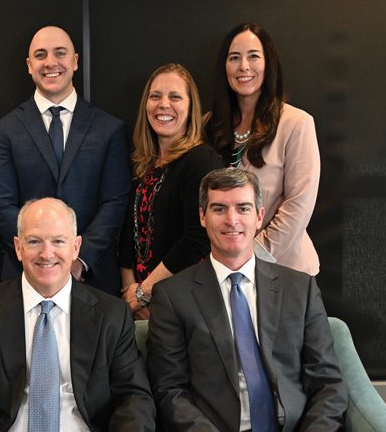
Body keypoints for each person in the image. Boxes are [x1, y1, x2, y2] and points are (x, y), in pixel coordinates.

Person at [148, 168, 346, 432]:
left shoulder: (300, 288)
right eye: (219, 209)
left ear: (259, 216)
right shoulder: (172, 296)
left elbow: (327, 383)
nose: (232, 220)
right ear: (202, 217)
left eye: (243, 208)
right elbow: (169, 390)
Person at [0, 198, 155, 431]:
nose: (46, 254)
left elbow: (134, 398)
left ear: (76, 247)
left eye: (58, 241)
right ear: (18, 247)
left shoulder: (111, 315)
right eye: (34, 241)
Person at [0, 25, 131, 296]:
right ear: (29, 65)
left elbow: (115, 202)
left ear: (75, 61)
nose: (50, 62)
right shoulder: (4, 131)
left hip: (93, 278)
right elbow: (1, 205)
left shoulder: (109, 129)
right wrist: (41, 256)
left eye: (60, 53)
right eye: (40, 55)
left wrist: (79, 258)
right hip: (25, 278)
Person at [204, 23, 320, 275]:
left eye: (254, 56)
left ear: (269, 64)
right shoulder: (209, 125)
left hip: (284, 271)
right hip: (221, 272)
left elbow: (298, 205)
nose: (244, 66)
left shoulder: (296, 123)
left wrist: (251, 257)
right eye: (234, 58)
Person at [119, 63, 222, 320]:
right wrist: (132, 296)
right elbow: (128, 234)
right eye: (155, 96)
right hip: (139, 305)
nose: (163, 104)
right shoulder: (143, 165)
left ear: (190, 107)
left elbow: (198, 238)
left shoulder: (201, 161)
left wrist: (144, 292)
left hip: (184, 306)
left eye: (175, 97)